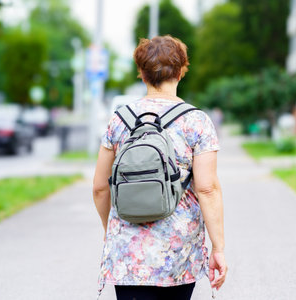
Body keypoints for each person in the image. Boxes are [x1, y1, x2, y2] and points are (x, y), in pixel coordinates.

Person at [93, 35, 227, 300]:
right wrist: (218, 248)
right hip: (177, 250)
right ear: (181, 72)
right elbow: (207, 189)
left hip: (127, 251)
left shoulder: (120, 119)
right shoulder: (196, 121)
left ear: (142, 74)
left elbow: (99, 188)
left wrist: (112, 233)